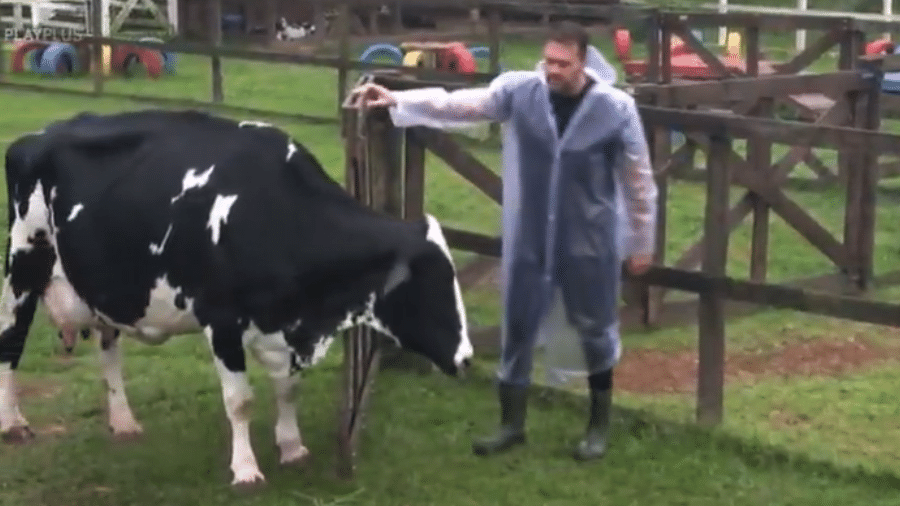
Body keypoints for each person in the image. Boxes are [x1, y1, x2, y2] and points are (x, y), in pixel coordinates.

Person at [351, 21, 658, 461]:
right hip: (529, 236)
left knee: (594, 328)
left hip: (589, 239)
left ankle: (597, 426)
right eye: (548, 60)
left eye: (562, 64)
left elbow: (639, 180)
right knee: (518, 325)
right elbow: (461, 105)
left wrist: (642, 240)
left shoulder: (616, 109)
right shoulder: (521, 92)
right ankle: (511, 424)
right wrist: (399, 99)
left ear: (583, 63)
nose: (551, 70)